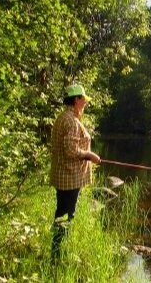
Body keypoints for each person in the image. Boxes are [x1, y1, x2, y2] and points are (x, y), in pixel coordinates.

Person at [50, 84, 101, 259]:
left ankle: (57, 252)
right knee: (66, 215)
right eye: (83, 99)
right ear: (76, 99)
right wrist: (90, 155)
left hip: (65, 175)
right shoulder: (70, 121)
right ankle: (58, 255)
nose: (85, 103)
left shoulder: (66, 117)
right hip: (69, 177)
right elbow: (70, 150)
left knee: (63, 213)